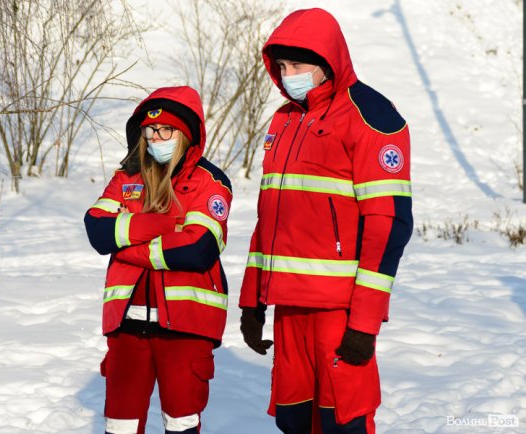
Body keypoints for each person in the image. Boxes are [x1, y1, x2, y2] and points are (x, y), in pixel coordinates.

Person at [238, 8, 413, 434]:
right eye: (281, 66)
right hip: (289, 307)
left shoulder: (371, 114)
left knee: (344, 421)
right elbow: (270, 221)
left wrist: (365, 322)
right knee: (294, 419)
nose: (288, 73)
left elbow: (388, 224)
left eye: (297, 64)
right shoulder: (285, 119)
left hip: (340, 309)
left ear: (327, 60)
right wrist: (252, 301)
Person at [84, 86, 232, 434]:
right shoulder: (127, 177)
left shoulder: (209, 182)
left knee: (180, 425)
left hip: (185, 326)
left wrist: (128, 240)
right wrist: (161, 225)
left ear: (184, 135)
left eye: (165, 131)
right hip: (126, 327)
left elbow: (198, 250)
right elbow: (96, 230)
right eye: (149, 131)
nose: (155, 138)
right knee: (119, 427)